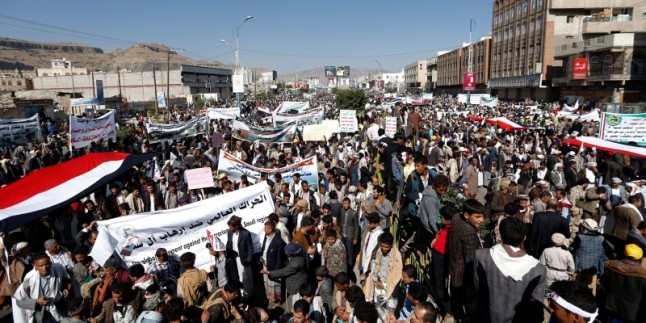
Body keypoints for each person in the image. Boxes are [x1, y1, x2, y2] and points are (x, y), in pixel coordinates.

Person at [474, 216, 546, 323]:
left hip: (486, 317)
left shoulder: (481, 255)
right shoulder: (538, 268)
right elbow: (536, 307)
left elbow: (477, 287)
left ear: (501, 235)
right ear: (524, 238)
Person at [448, 199, 485, 321]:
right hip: (464, 274)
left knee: (456, 300)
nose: (481, 220)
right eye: (478, 217)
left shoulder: (456, 217)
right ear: (466, 215)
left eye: (482, 216)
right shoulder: (468, 230)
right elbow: (473, 258)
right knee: (467, 305)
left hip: (454, 266)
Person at [13, 252, 71, 322]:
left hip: (59, 308)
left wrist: (65, 288)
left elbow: (65, 279)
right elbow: (19, 301)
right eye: (41, 265)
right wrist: (36, 302)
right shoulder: (30, 279)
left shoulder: (58, 268)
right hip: (41, 314)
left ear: (51, 262)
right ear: (35, 265)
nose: (45, 267)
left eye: (47, 264)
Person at [602, 243, 646, 323]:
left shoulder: (609, 265)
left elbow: (604, 283)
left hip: (612, 307)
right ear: (640, 258)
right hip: (632, 314)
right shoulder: (644, 275)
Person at [261, 243, 308, 311]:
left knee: (297, 305)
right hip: (296, 282)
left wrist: (270, 273)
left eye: (287, 251)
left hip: (297, 286)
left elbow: (284, 271)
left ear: (292, 253)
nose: (285, 252)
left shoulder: (296, 263)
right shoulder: (298, 253)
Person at [365, 232, 402, 312]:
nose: (384, 249)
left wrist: (385, 286)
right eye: (382, 246)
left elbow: (397, 276)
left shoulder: (397, 256)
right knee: (378, 310)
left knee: (389, 312)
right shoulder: (379, 251)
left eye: (386, 247)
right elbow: (376, 268)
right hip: (379, 284)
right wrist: (377, 280)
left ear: (391, 245)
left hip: (391, 288)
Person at [225, 215, 254, 298]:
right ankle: (239, 294)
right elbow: (229, 244)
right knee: (236, 277)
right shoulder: (230, 233)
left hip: (243, 261)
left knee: (245, 278)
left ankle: (247, 296)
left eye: (230, 227)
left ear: (236, 226)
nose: (229, 228)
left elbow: (250, 248)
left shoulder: (245, 234)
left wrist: (248, 260)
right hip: (234, 260)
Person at [260, 220, 286, 307]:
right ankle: (270, 299)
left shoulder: (279, 242)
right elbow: (264, 248)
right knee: (267, 284)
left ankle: (277, 302)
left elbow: (279, 259)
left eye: (266, 229)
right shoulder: (266, 237)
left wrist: (274, 273)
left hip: (273, 268)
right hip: (265, 265)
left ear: (271, 229)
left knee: (275, 286)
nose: (264, 230)